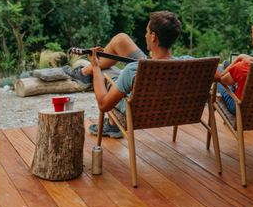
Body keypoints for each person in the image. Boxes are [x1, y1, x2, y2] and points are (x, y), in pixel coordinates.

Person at [65, 11, 183, 139]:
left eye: (147, 32)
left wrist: (95, 66)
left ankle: (112, 122)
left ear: (153, 37)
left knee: (104, 72)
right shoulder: (187, 62)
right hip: (169, 108)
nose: (145, 35)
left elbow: (104, 105)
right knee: (120, 41)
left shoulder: (133, 70)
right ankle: (85, 74)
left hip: (135, 111)